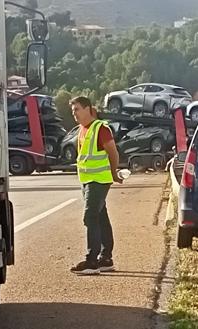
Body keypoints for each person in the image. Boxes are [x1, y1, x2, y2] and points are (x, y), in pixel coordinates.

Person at [69, 96, 122, 275]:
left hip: (99, 180)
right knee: (100, 217)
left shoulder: (101, 128)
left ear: (88, 109)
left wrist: (114, 173)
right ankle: (106, 259)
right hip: (87, 180)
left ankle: (92, 261)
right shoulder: (82, 130)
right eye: (72, 110)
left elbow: (113, 153)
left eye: (76, 109)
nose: (73, 113)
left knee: (90, 217)